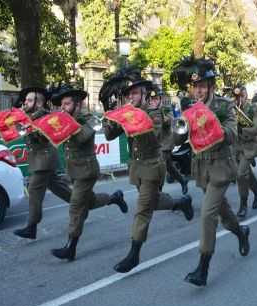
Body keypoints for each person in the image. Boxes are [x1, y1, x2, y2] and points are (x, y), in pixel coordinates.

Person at [171, 56, 250, 287]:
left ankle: (203, 267)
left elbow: (232, 134)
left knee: (207, 215)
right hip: (202, 169)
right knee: (223, 212)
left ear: (211, 87)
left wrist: (207, 117)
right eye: (195, 87)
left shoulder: (224, 105)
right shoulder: (188, 105)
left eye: (203, 87)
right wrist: (180, 120)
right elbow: (178, 137)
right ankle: (241, 233)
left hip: (221, 167)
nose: (198, 91)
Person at [103, 73, 193, 273]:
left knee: (143, 209)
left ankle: (134, 254)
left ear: (145, 95)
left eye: (135, 93)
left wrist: (129, 115)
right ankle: (180, 202)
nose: (131, 97)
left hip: (153, 167)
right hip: (137, 168)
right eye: (129, 94)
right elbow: (109, 135)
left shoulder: (154, 114)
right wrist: (108, 110)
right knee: (152, 202)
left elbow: (152, 137)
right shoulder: (127, 113)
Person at [49, 85, 128, 261]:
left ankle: (71, 247)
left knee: (76, 206)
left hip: (87, 171)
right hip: (75, 171)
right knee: (89, 203)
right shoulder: (65, 120)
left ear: (77, 105)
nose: (63, 108)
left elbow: (81, 138)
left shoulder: (90, 120)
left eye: (67, 104)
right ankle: (114, 198)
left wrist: (65, 124)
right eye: (62, 105)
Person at [12, 87, 74, 240]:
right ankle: (86, 203)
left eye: (29, 100)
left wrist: (29, 125)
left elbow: (43, 137)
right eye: (25, 100)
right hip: (39, 160)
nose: (24, 102)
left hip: (44, 161)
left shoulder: (46, 116)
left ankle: (31, 227)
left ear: (38, 103)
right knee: (63, 191)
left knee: (33, 190)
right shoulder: (28, 116)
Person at [148, 85, 189, 195]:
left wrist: (163, 117)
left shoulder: (166, 109)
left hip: (165, 144)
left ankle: (158, 191)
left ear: (161, 99)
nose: (153, 101)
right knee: (169, 166)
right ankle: (182, 180)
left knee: (160, 167)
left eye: (156, 99)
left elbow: (171, 119)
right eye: (151, 99)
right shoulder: (149, 110)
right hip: (155, 144)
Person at [232, 85, 257, 219]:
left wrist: (242, 130)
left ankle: (243, 205)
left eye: (242, 96)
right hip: (235, 147)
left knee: (240, 175)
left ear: (246, 95)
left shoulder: (253, 108)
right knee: (247, 174)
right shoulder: (231, 108)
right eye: (237, 97)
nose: (239, 99)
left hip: (248, 147)